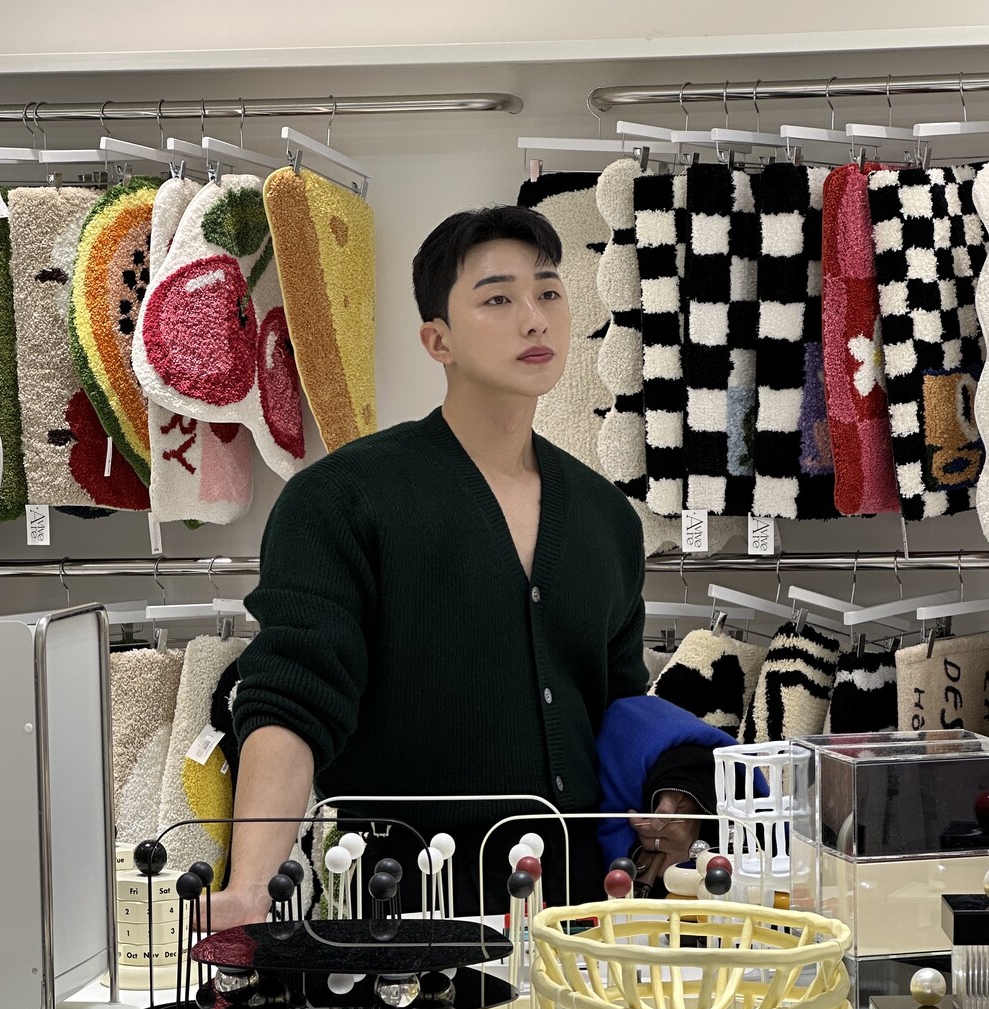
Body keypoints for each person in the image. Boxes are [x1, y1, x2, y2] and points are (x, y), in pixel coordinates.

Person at [212, 204, 705, 928]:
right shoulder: (341, 499)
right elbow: (292, 698)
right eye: (497, 299)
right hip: (405, 916)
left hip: (580, 920)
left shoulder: (606, 517)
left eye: (548, 292)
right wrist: (252, 887)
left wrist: (673, 797)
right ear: (437, 339)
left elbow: (617, 712)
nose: (533, 320)